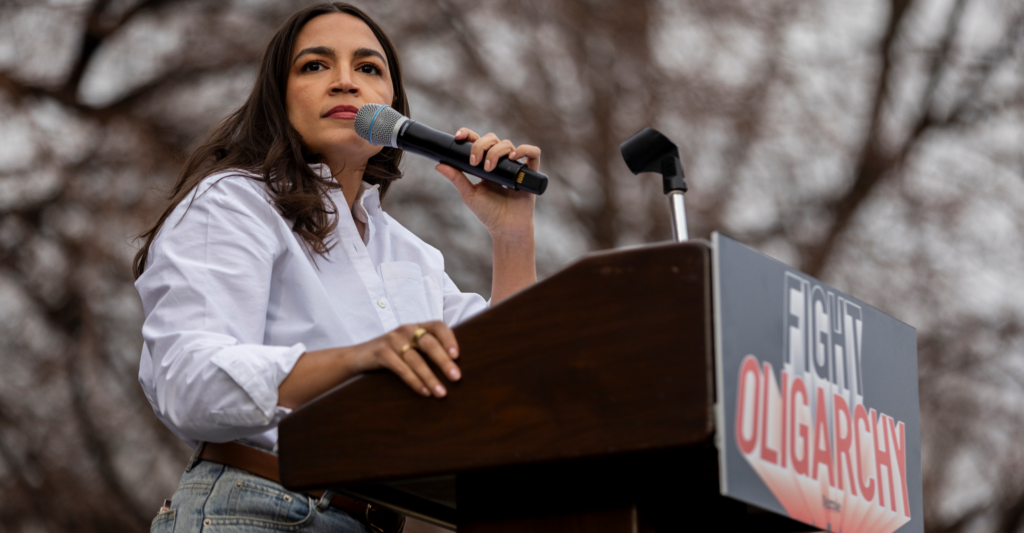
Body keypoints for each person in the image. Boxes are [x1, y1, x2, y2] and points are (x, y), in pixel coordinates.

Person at [134, 3, 539, 532]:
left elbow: (503, 380)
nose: (346, 82)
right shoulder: (233, 202)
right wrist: (357, 360)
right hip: (256, 509)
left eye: (369, 68)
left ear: (393, 107)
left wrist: (512, 236)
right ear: (278, 99)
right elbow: (189, 382)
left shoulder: (409, 253)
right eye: (315, 66)